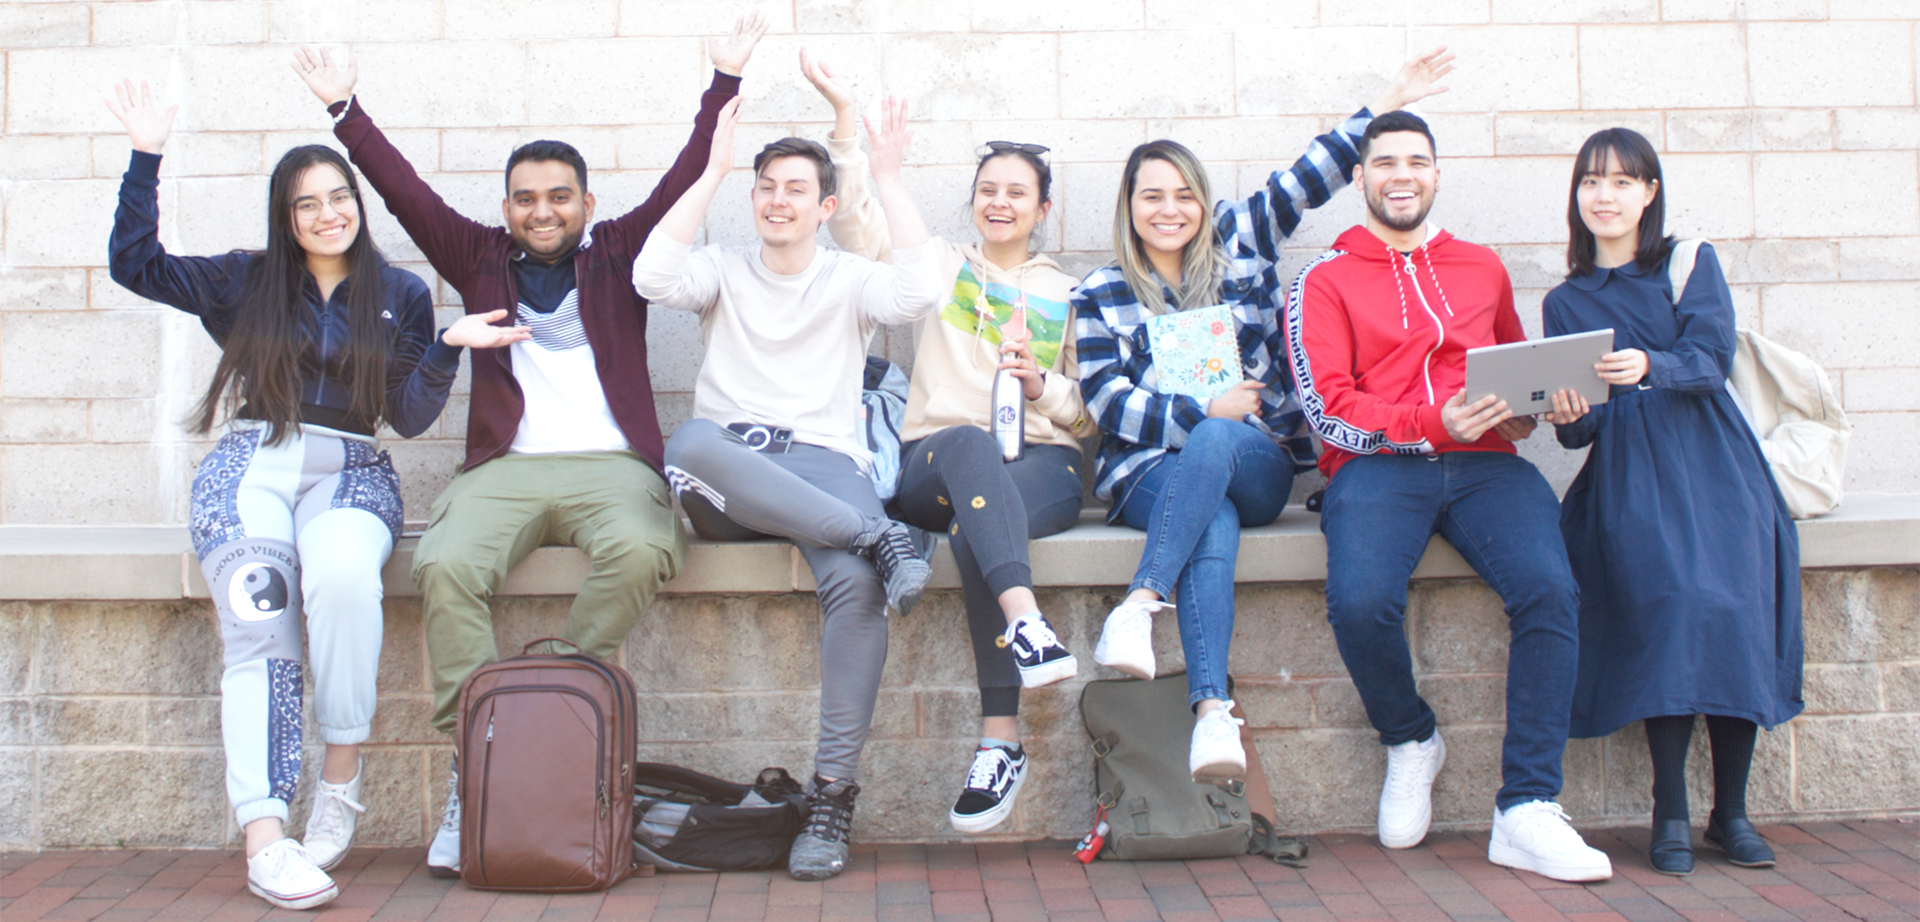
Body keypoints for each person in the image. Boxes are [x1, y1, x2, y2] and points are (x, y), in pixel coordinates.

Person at [288, 15, 764, 879]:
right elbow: (401, 191)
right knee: (445, 567)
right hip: (503, 471)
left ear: (584, 201)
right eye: (526, 197)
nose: (542, 211)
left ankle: (546, 717)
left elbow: (686, 174)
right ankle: (480, 769)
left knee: (648, 547)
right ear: (507, 206)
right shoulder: (475, 254)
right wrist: (344, 109)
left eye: (558, 196)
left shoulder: (621, 250)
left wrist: (722, 83)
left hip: (612, 468)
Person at [106, 80, 512, 909]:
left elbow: (404, 414)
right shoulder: (242, 280)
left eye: (340, 198)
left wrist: (446, 346)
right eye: (308, 205)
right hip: (253, 462)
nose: (329, 214)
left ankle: (340, 777)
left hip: (354, 470)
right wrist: (146, 155)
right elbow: (134, 265)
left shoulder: (398, 294)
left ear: (356, 203)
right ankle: (266, 837)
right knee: (261, 615)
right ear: (285, 218)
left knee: (340, 583)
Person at [1077, 51, 1453, 785]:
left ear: (1203, 199)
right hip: (1147, 477)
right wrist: (1199, 411)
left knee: (1223, 441)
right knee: (1208, 508)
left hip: (1256, 463)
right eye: (1151, 196)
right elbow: (1106, 401)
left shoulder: (1240, 239)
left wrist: (1386, 101)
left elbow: (1308, 177)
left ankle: (1141, 599)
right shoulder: (1100, 292)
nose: (1169, 210)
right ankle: (1212, 714)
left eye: (1184, 194)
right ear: (1129, 206)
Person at [1287, 110, 1612, 881]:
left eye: (1419, 162)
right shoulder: (1322, 278)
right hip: (1378, 467)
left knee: (1550, 591)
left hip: (1486, 462)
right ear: (1361, 178)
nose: (1403, 175)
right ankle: (1409, 738)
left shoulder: (1481, 266)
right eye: (1387, 162)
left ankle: (1527, 808)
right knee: (1362, 601)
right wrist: (1429, 420)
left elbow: (1513, 372)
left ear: (1437, 174)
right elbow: (1325, 404)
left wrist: (1544, 403)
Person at [632, 82, 943, 878]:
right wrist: (708, 173)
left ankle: (831, 801)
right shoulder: (723, 271)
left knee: (860, 589)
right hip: (732, 474)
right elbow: (650, 277)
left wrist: (891, 177)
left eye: (795, 189)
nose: (778, 201)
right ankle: (881, 535)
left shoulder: (846, 279)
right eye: (766, 188)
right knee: (692, 440)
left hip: (823, 470)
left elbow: (921, 291)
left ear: (824, 204)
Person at [801, 51, 1095, 834]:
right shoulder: (939, 267)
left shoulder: (1068, 293)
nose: (1000, 203)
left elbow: (1089, 417)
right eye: (988, 191)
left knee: (981, 518)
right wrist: (860, 145)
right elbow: (857, 224)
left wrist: (1044, 385)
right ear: (973, 202)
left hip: (1043, 463)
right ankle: (1027, 624)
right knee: (966, 453)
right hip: (935, 459)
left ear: (1043, 209)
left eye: (1017, 194)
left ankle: (1000, 743)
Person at [1544, 127, 1803, 876]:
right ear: (1578, 195)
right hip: (1632, 474)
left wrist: (1648, 363)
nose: (1605, 195)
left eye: (1623, 181)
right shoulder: (1568, 299)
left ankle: (1733, 812)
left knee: (1732, 613)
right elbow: (1580, 427)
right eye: (1592, 181)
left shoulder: (1689, 262)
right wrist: (1568, 410)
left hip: (1718, 465)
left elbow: (1710, 357)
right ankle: (1672, 813)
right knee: (1672, 605)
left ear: (1649, 193)